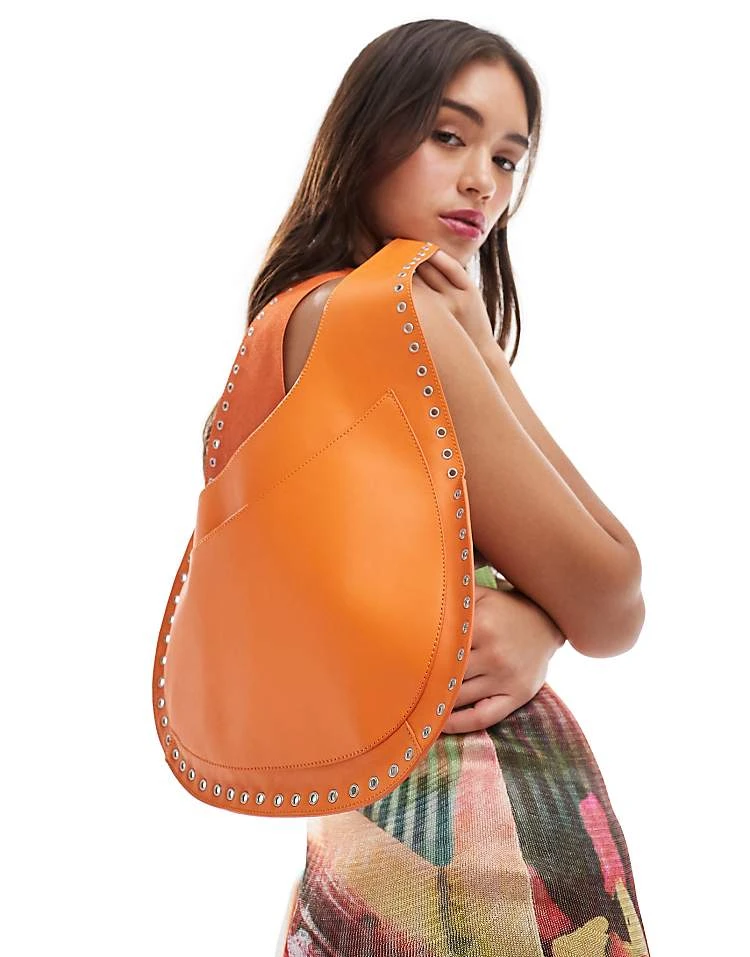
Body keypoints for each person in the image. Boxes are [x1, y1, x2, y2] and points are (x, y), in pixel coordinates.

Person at [201, 18, 651, 956]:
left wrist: (540, 622)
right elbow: (616, 596)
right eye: (449, 136)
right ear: (366, 135)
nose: (484, 180)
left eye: (508, 157)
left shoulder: (291, 315)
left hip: (369, 831)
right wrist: (554, 618)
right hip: (484, 838)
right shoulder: (391, 314)